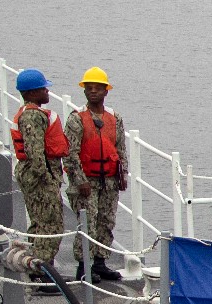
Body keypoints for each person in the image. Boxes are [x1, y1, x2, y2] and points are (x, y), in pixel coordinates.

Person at [64, 66, 129, 282]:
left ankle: (101, 263)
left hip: (109, 181)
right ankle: (83, 267)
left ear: (105, 91)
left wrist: (123, 175)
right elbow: (70, 153)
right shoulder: (76, 119)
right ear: (84, 92)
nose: (93, 91)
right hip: (87, 182)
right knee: (88, 223)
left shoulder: (115, 118)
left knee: (106, 221)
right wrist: (80, 181)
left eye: (98, 88)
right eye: (89, 88)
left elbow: (120, 148)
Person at [9, 68, 70, 278]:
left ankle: (38, 265)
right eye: (44, 88)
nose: (47, 92)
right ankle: (43, 272)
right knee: (50, 224)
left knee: (40, 222)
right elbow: (35, 152)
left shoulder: (30, 114)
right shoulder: (33, 116)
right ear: (33, 92)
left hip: (35, 175)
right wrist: (48, 179)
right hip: (40, 178)